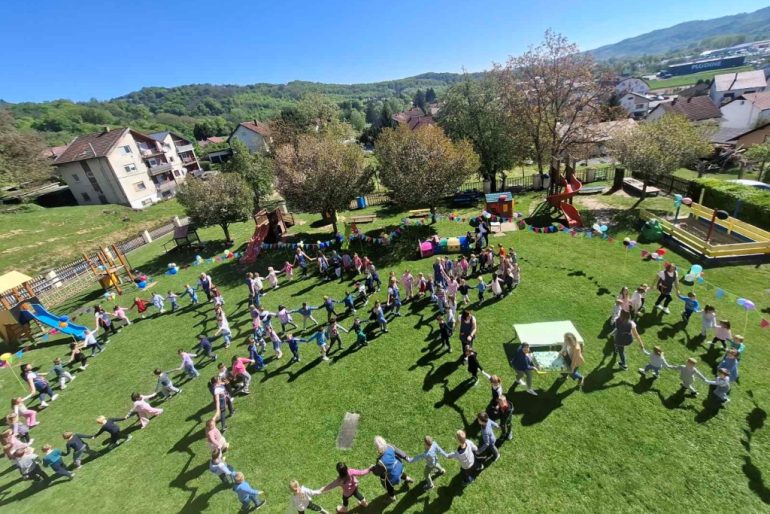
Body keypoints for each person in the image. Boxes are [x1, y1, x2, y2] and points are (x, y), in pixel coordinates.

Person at [372, 436, 413, 502]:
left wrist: (373, 468)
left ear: (377, 448)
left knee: (387, 483)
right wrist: (406, 458)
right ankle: (408, 479)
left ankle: (392, 497)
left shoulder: (380, 462)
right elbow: (400, 452)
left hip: (393, 476)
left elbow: (377, 473)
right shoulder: (389, 446)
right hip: (399, 466)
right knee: (399, 472)